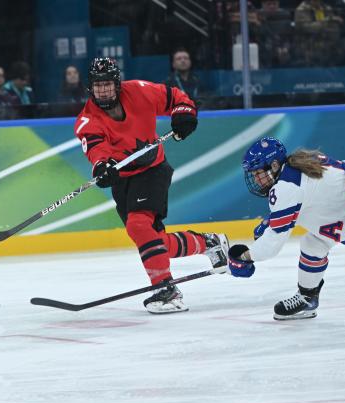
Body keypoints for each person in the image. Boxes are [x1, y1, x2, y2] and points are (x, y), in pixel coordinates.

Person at [74, 57, 229, 314]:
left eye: (107, 84)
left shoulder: (140, 92)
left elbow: (178, 98)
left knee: (139, 225)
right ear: (90, 88)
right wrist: (102, 167)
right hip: (123, 179)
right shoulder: (87, 120)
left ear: (117, 84)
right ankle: (208, 243)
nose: (103, 90)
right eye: (97, 85)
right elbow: (96, 149)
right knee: (153, 241)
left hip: (153, 170)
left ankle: (166, 289)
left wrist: (184, 114)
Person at [227, 137, 345, 336]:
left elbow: (272, 245)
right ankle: (307, 298)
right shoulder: (294, 169)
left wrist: (244, 257)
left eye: (258, 173)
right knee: (312, 243)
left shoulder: (286, 186)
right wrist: (273, 220)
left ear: (275, 165)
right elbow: (313, 198)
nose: (256, 180)